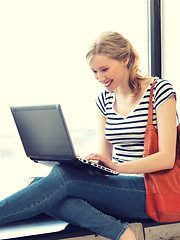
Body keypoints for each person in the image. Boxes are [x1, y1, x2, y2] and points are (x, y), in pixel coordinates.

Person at [0, 32, 177, 240]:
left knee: (62, 177)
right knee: (37, 184)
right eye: (94, 71)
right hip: (118, 184)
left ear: (125, 60)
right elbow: (105, 156)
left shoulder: (160, 90)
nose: (100, 78)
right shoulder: (103, 100)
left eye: (104, 69)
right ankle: (122, 233)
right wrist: (92, 164)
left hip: (149, 189)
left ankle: (118, 232)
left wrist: (117, 167)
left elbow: (167, 158)